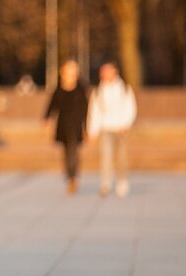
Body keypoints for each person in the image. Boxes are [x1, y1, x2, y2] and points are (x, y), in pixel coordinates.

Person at [88, 61, 137, 198]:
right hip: (105, 128)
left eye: (107, 71)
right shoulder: (98, 91)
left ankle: (122, 182)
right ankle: (106, 183)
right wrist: (92, 131)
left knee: (122, 157)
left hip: (121, 128)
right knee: (106, 156)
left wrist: (126, 123)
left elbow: (130, 107)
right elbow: (94, 112)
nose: (103, 74)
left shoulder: (125, 89)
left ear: (115, 72)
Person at [44, 60, 89, 194]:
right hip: (63, 124)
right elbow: (52, 105)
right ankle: (69, 176)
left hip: (76, 125)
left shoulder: (81, 89)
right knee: (66, 151)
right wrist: (47, 118)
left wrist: (87, 126)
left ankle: (73, 177)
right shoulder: (59, 88)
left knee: (73, 151)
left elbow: (86, 109)